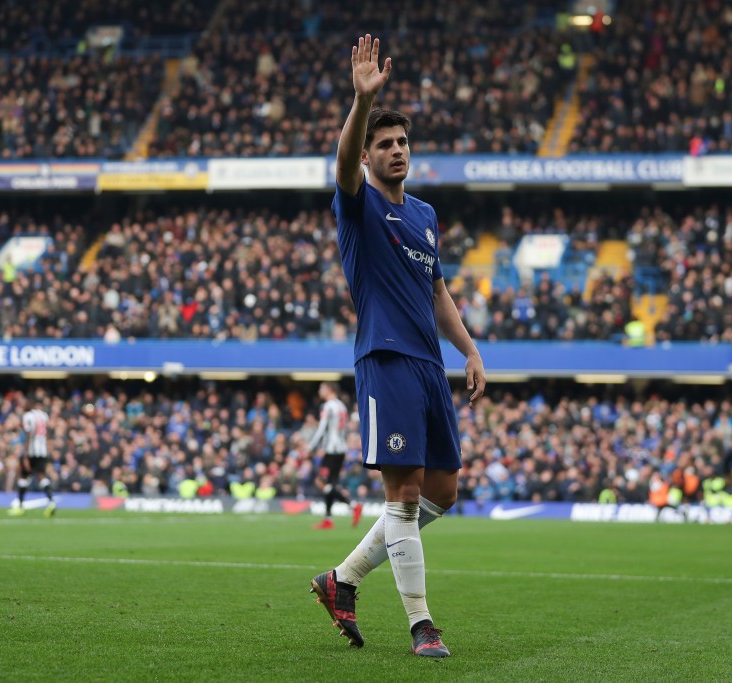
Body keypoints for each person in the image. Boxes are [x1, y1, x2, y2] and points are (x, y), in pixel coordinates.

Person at [309, 34, 487, 659]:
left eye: (402, 142)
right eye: (384, 144)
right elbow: (341, 164)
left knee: (444, 490)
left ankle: (342, 579)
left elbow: (438, 292)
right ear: (368, 156)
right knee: (405, 494)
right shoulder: (356, 203)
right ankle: (421, 625)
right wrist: (362, 103)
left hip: (429, 364)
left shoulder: (426, 216)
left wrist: (470, 351)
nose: (396, 150)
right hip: (385, 360)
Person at [307, 382, 363, 530]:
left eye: (322, 388)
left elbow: (322, 428)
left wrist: (310, 446)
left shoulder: (328, 406)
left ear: (329, 390)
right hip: (341, 449)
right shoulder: (342, 406)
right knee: (329, 484)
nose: (320, 391)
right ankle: (328, 519)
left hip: (332, 450)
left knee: (321, 482)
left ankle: (353, 506)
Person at [10, 398, 56, 517]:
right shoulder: (44, 415)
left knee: (23, 476)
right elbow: (46, 433)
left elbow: (28, 435)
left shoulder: (28, 416)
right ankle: (51, 501)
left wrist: (25, 454)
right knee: (41, 476)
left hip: (31, 451)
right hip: (42, 451)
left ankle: (20, 506)